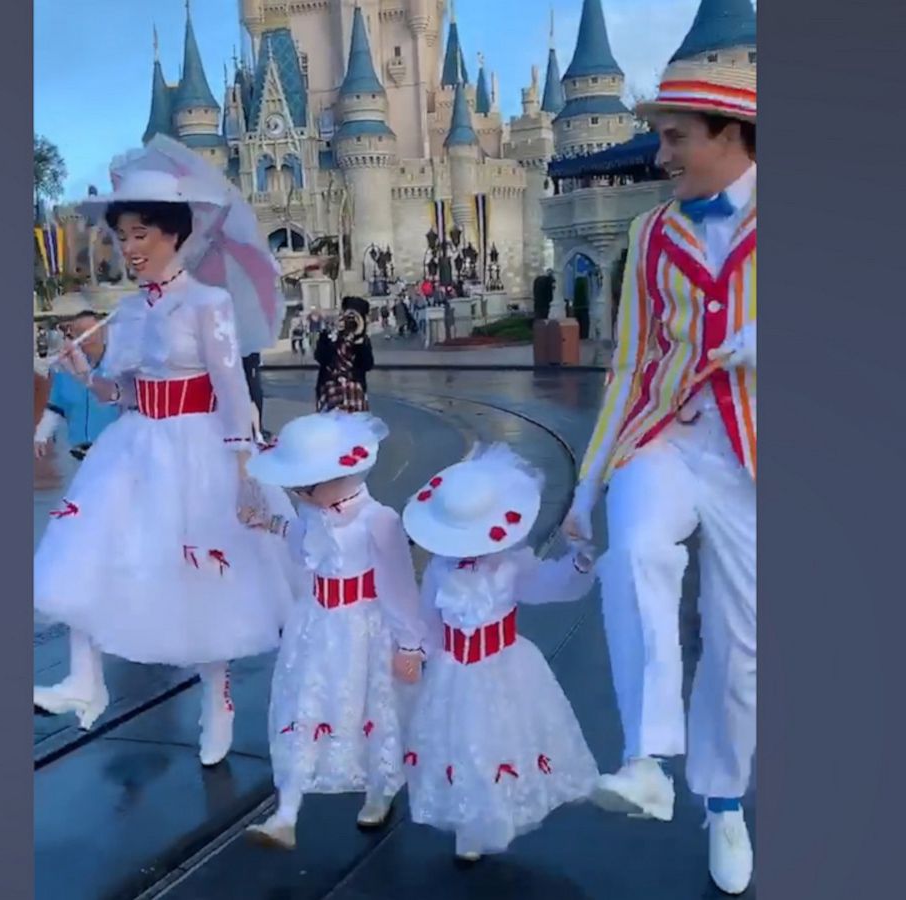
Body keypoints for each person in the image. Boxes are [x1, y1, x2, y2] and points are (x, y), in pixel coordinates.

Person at [562, 15, 758, 895]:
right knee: (633, 550)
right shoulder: (650, 237)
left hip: (755, 452)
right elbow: (632, 362)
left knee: (740, 642)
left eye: (676, 137)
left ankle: (723, 803)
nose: (660, 155)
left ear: (730, 135)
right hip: (668, 433)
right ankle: (646, 759)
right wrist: (587, 482)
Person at [33, 137, 299, 769]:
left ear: (174, 234)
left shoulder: (210, 305)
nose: (129, 247)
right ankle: (84, 679)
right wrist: (83, 369)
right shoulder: (125, 313)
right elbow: (121, 392)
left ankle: (218, 696)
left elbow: (232, 389)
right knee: (91, 549)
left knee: (205, 576)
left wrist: (244, 471)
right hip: (136, 445)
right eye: (123, 234)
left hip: (198, 446)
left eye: (141, 233)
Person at [400, 444, 600, 863]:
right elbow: (428, 618)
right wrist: (415, 650)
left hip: (502, 666)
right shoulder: (440, 569)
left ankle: (498, 812)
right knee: (461, 743)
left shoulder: (513, 565)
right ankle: (472, 820)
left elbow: (551, 585)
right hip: (453, 669)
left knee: (500, 740)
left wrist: (578, 561)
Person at [238, 412, 429, 850]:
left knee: (372, 708)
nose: (299, 494)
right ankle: (286, 811)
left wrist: (409, 645)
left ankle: (379, 789)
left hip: (364, 626)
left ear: (338, 476)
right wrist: (268, 523)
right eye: (298, 488)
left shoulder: (378, 520)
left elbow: (399, 586)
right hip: (317, 622)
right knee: (305, 703)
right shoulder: (314, 511)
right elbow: (302, 541)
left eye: (307, 486)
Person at [34, 295, 121, 462]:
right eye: (78, 332)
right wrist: (41, 436)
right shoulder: (63, 370)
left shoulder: (119, 365)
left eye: (89, 330)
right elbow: (55, 406)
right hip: (77, 454)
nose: (86, 337)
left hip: (115, 453)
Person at [314, 296, 375, 413]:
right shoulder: (330, 335)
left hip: (354, 395)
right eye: (348, 317)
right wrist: (330, 335)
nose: (350, 322)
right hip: (330, 392)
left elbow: (367, 365)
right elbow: (320, 357)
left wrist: (359, 339)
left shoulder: (363, 340)